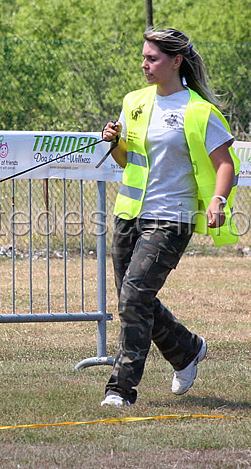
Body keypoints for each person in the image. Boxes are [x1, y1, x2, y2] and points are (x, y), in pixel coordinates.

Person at [99, 27, 240, 408]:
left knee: (133, 298)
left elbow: (226, 164)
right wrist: (115, 142)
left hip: (172, 217)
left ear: (176, 61)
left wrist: (217, 201)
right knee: (135, 299)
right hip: (129, 213)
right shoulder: (134, 102)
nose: (145, 65)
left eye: (152, 58)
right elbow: (127, 160)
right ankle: (187, 350)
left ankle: (121, 388)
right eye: (144, 57)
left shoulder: (199, 111)